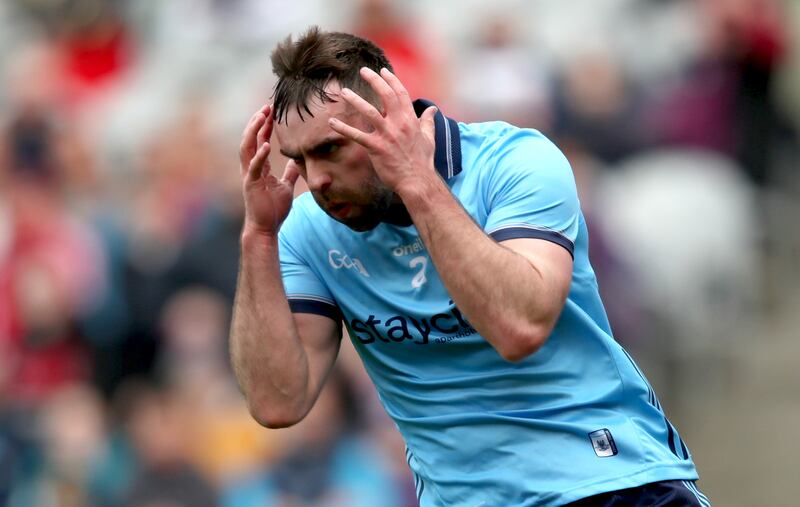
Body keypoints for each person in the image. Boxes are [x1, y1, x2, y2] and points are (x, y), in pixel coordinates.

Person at [229, 27, 710, 507]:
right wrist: (259, 237)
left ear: (386, 119)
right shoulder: (305, 229)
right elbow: (277, 402)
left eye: (330, 149)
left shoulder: (516, 163)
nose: (316, 180)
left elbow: (518, 327)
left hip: (611, 483)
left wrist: (416, 184)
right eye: (299, 159)